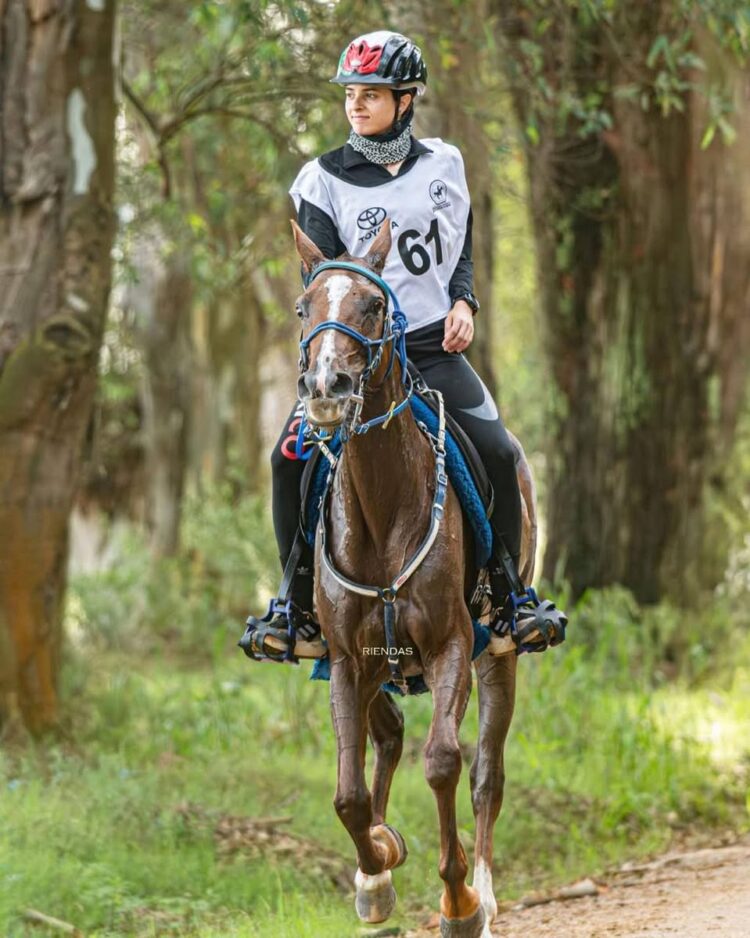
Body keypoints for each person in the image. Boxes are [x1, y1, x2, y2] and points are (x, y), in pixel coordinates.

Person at [240, 30, 567, 662]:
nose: (356, 105)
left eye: (371, 94)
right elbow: (327, 279)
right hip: (359, 361)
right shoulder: (321, 181)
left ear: (406, 99)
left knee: (499, 451)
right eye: (350, 95)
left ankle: (508, 598)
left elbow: (461, 247)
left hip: (432, 350)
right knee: (287, 459)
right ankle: (296, 606)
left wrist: (465, 302)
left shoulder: (445, 163)